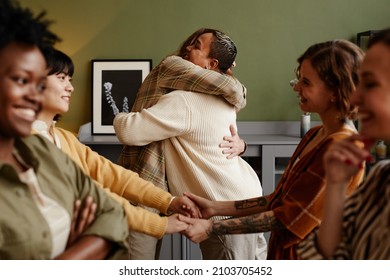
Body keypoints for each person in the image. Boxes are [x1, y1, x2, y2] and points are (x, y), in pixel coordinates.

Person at [179, 39, 366, 260]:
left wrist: (211, 228)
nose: (296, 87)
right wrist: (215, 207)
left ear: (335, 91)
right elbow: (277, 200)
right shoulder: (314, 135)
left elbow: (284, 218)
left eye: (306, 82)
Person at [114, 28, 266, 260]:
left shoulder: (182, 101)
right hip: (245, 197)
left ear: (211, 64)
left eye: (196, 46)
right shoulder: (226, 101)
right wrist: (242, 145)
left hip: (222, 209)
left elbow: (128, 131)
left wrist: (118, 116)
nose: (188, 47)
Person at [31, 49, 199, 247]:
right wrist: (159, 224)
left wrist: (169, 202)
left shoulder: (65, 139)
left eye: (70, 79)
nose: (70, 88)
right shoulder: (25, 143)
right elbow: (93, 195)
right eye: (61, 78)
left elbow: (114, 176)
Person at [0, 0, 128, 259]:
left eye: (38, 85)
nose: (35, 97)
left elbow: (113, 214)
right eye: (21, 80)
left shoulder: (42, 150)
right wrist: (81, 248)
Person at [298, 28, 390, 260]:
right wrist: (337, 186)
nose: (355, 97)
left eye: (370, 85)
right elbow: (330, 257)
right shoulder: (380, 178)